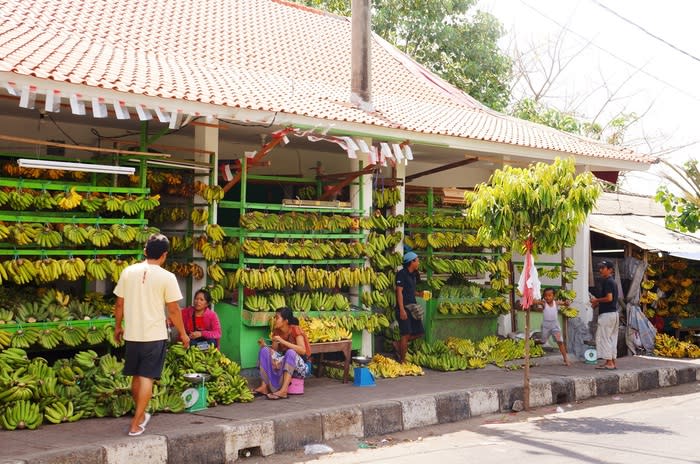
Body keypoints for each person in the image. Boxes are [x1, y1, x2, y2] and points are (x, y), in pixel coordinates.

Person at [114, 234, 189, 436]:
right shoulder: (167, 277)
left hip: (132, 334)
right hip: (154, 335)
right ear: (164, 255)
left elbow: (119, 303)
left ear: (145, 251)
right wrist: (183, 333)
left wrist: (117, 327)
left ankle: (140, 413)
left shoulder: (128, 272)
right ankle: (136, 423)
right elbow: (173, 310)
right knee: (147, 377)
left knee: (136, 376)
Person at [254, 307, 311, 400]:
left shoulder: (296, 330)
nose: (274, 320)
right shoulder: (277, 332)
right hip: (285, 360)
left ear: (286, 321)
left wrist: (282, 341)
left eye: (277, 318)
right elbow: (274, 353)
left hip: (302, 366)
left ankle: (283, 391)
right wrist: (265, 346)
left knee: (290, 352)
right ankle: (264, 386)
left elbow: (302, 350)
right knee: (264, 351)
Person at [394, 251, 424, 363]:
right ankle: (402, 360)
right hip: (404, 308)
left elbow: (409, 290)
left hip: (413, 307)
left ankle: (398, 344)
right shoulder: (401, 274)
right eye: (417, 260)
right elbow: (399, 292)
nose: (418, 262)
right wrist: (401, 309)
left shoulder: (414, 275)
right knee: (405, 334)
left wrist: (418, 294)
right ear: (411, 262)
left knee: (419, 332)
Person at [590, 260, 619, 370]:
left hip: (607, 315)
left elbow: (609, 298)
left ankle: (609, 363)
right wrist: (598, 303)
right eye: (600, 268)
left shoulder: (608, 282)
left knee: (604, 338)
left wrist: (596, 300)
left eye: (603, 268)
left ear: (610, 270)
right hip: (613, 313)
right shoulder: (612, 282)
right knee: (612, 338)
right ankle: (612, 361)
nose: (600, 270)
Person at [535, 287, 571, 366]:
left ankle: (565, 359)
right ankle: (536, 342)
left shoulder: (556, 303)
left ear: (553, 296)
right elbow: (535, 302)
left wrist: (567, 303)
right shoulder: (543, 303)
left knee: (560, 342)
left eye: (549, 295)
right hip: (546, 326)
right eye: (545, 296)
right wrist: (532, 300)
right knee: (543, 341)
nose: (547, 297)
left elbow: (565, 303)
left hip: (555, 326)